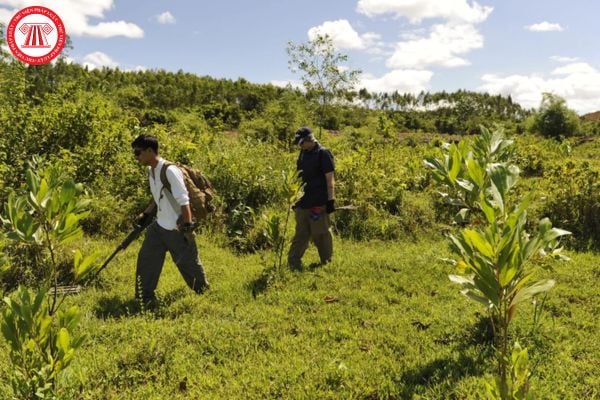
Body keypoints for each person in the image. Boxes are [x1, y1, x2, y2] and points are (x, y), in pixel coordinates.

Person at [131, 134, 209, 305]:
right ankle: (145, 298)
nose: (136, 157)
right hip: (159, 226)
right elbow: (158, 196)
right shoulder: (151, 170)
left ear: (150, 151)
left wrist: (187, 226)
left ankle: (204, 292)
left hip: (176, 228)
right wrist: (146, 213)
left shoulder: (170, 171)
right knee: (146, 260)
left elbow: (184, 199)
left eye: (138, 153)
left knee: (188, 265)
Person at [288, 127, 336, 270]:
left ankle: (326, 262)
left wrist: (330, 200)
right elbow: (298, 177)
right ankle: (293, 263)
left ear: (310, 139)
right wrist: (293, 198)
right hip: (302, 201)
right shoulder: (302, 153)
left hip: (318, 203)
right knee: (300, 234)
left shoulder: (323, 154)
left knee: (321, 233)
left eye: (301, 142)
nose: (299, 145)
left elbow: (330, 179)